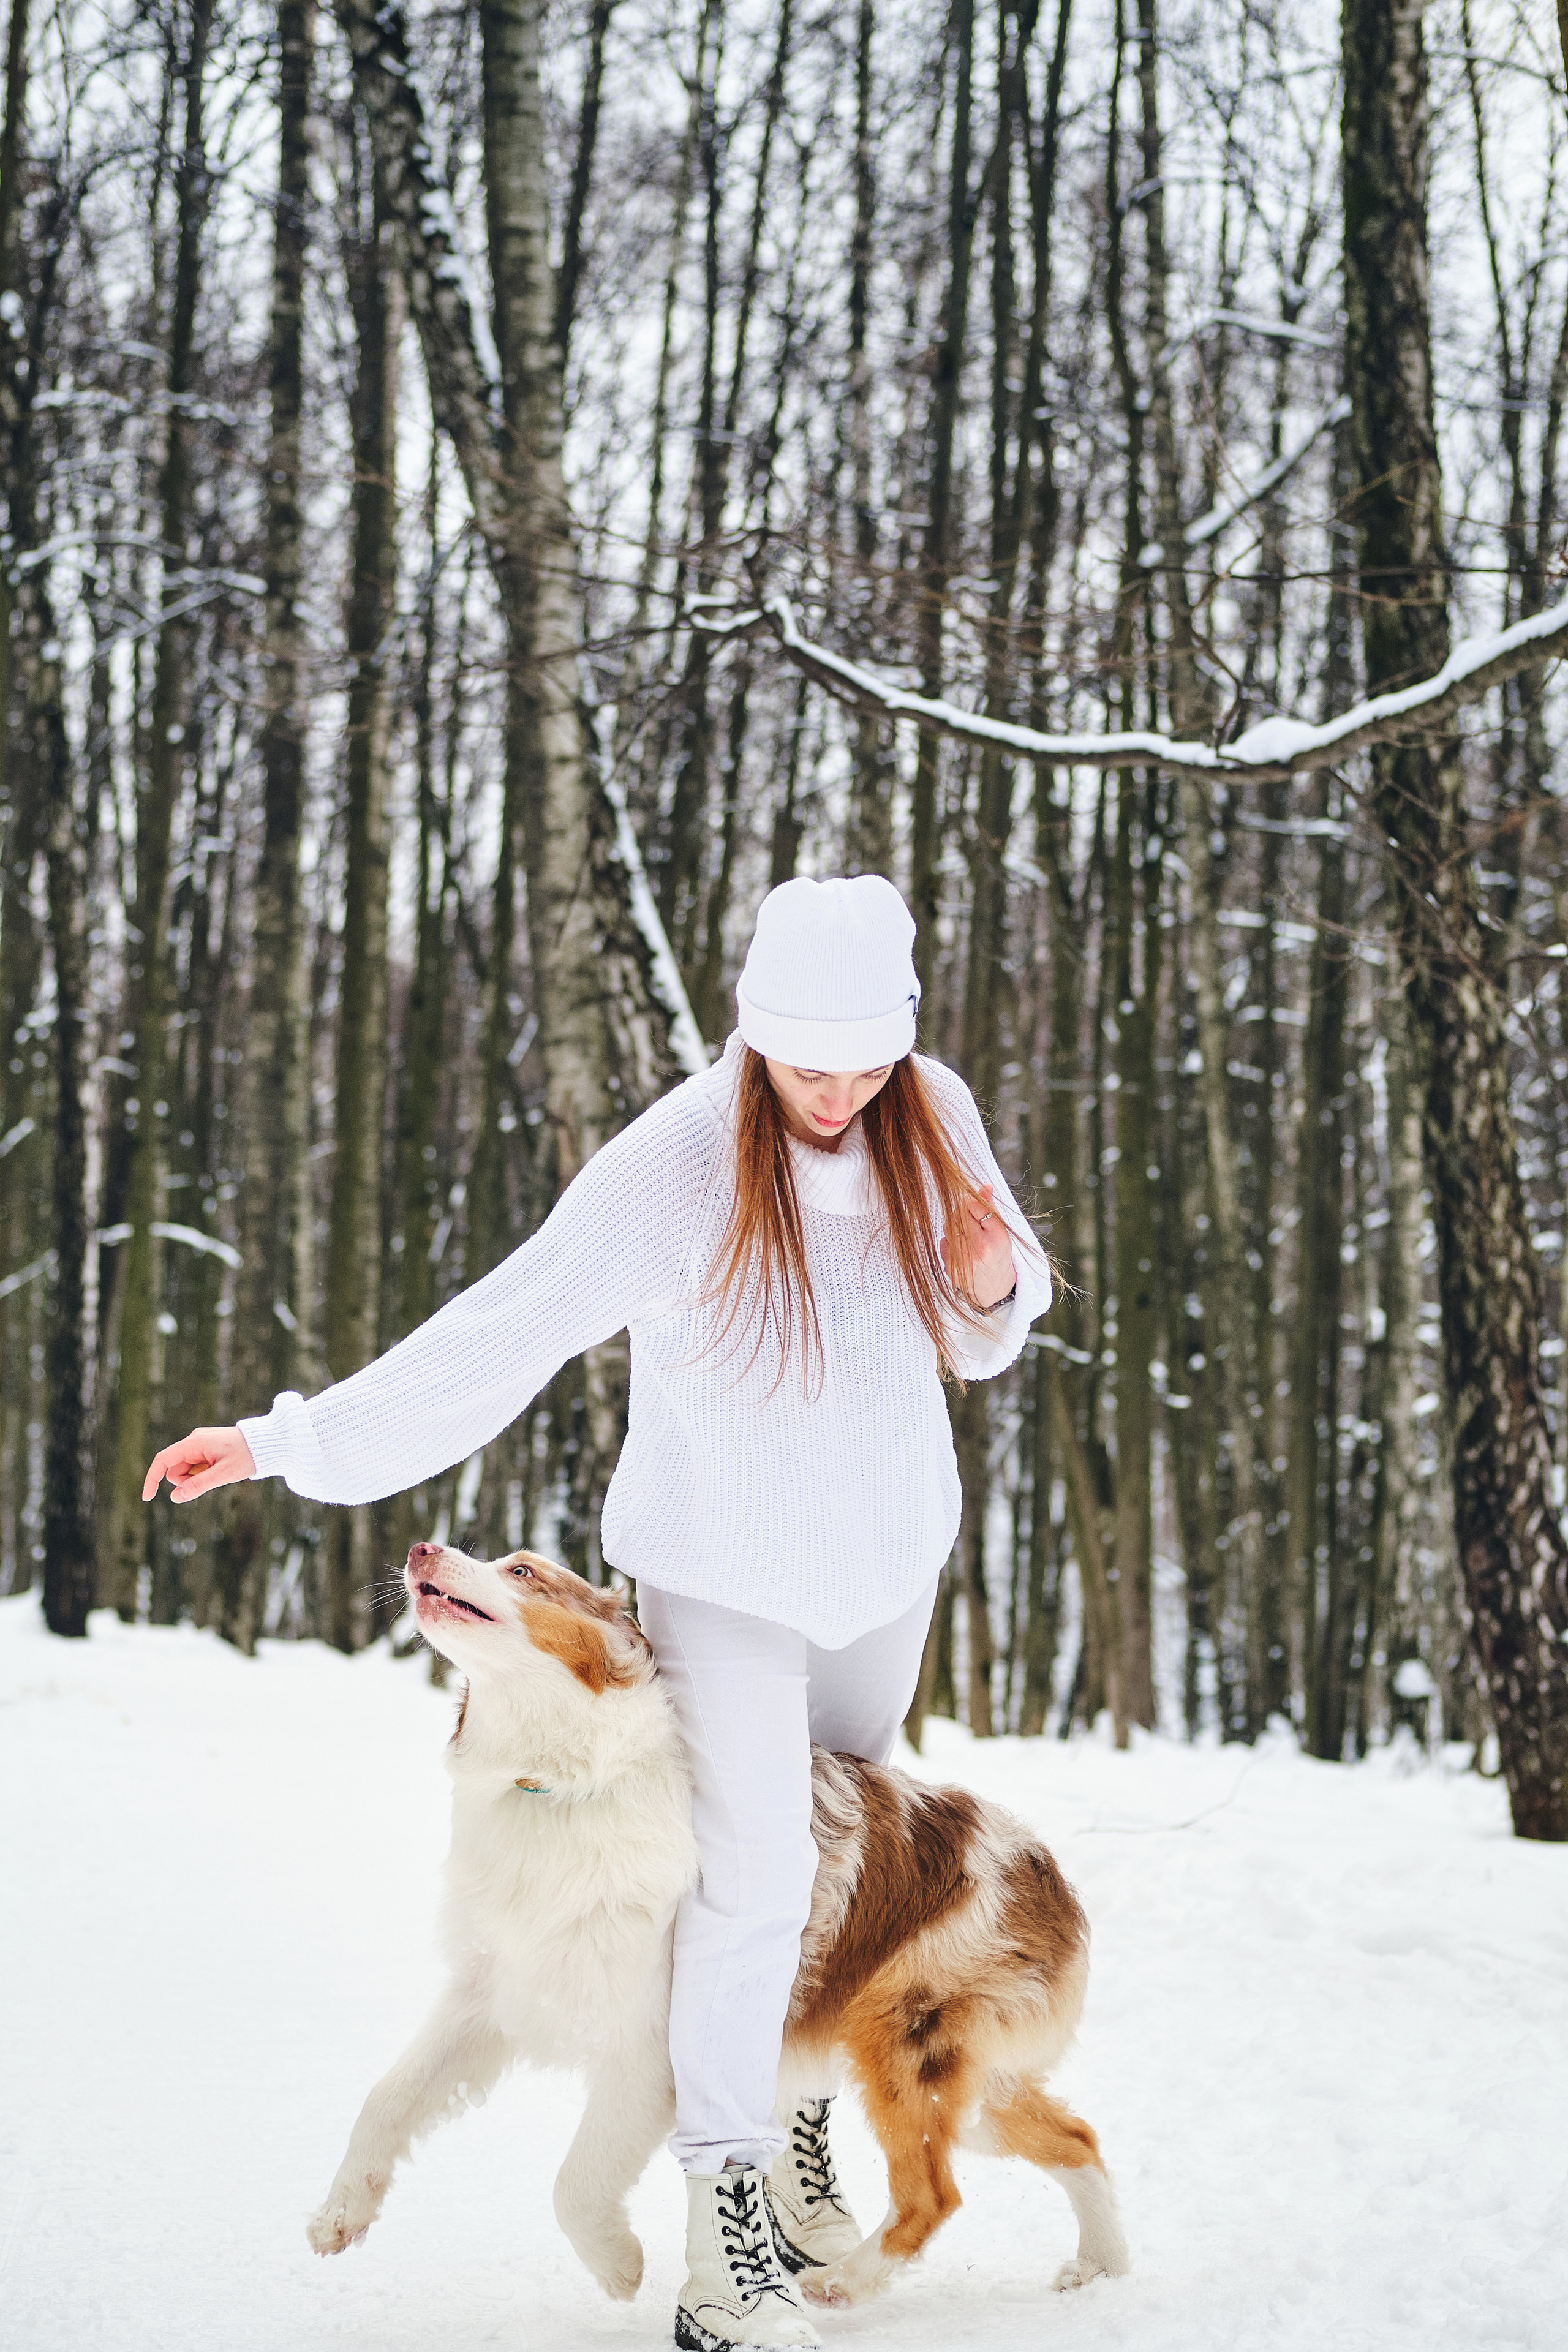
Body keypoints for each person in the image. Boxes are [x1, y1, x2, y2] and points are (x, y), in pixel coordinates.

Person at [144, 873, 1051, 2352]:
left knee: (836, 1873)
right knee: (750, 1883)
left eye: (862, 1061)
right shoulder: (682, 1163)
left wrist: (992, 1277)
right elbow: (503, 1329)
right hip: (721, 1572)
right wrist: (284, 1442)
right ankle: (723, 2244)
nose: (835, 1095)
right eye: (803, 1064)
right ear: (752, 1036)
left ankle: (793, 2117)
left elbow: (986, 1323)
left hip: (885, 1562)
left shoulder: (929, 1105)